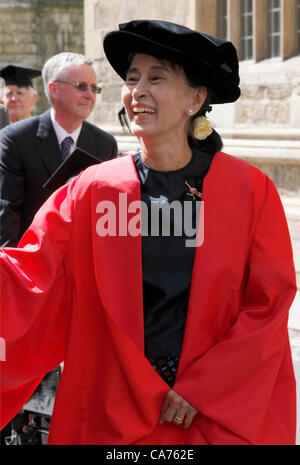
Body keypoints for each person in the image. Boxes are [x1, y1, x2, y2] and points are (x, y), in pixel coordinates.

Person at [0, 20, 297, 445]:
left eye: (156, 77)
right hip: (113, 405)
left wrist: (205, 387)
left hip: (209, 410)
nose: (137, 90)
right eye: (132, 78)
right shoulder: (93, 190)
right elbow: (28, 274)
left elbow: (269, 303)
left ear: (195, 99)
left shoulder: (248, 191)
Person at [0, 52, 118, 247]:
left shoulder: (105, 144)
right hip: (33, 257)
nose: (89, 95)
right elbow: (7, 212)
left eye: (94, 88)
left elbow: (105, 213)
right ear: (53, 89)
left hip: (82, 260)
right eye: (81, 86)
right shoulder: (15, 139)